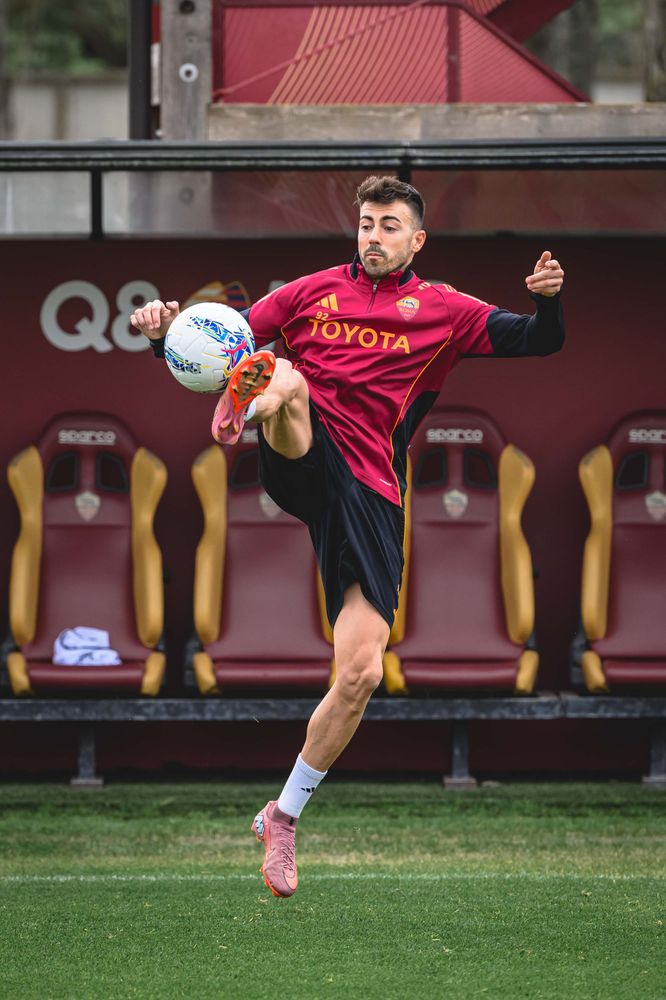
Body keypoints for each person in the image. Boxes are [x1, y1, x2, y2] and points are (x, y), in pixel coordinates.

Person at [130, 175, 565, 899]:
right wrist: (162, 338)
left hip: (369, 493)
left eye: (389, 225)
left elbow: (538, 339)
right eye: (366, 223)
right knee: (291, 381)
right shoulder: (308, 292)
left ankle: (283, 816)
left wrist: (549, 298)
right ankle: (252, 405)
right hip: (300, 455)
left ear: (416, 239)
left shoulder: (446, 310)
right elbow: (223, 341)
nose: (373, 236)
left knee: (361, 672)